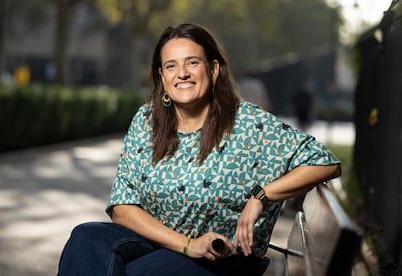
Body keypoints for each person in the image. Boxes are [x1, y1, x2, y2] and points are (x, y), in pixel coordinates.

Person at [58, 23, 341, 276]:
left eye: (192, 62)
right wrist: (187, 245)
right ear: (162, 77)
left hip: (223, 257)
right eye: (171, 66)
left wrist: (261, 196)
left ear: (213, 69)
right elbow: (122, 208)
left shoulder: (249, 123)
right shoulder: (147, 121)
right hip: (160, 242)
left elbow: (326, 163)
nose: (182, 73)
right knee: (86, 238)